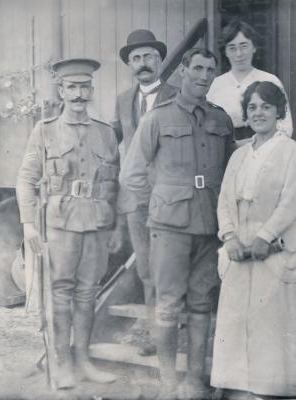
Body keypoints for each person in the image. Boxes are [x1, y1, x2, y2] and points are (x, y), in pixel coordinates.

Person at [120, 48, 234, 400]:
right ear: (183, 71)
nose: (203, 75)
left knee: (201, 304)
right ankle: (168, 383)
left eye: (210, 69)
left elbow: (231, 171)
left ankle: (194, 381)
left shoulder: (221, 119)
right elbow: (132, 174)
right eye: (197, 68)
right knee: (168, 304)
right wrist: (159, 200)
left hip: (208, 226)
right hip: (169, 227)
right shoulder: (158, 117)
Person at [16, 58, 119, 389]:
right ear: (61, 90)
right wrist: (28, 224)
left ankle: (83, 360)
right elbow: (25, 179)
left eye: (84, 87)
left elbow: (114, 185)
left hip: (98, 221)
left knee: (88, 291)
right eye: (71, 87)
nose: (78, 94)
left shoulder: (106, 133)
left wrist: (115, 226)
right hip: (59, 223)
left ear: (92, 90)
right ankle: (61, 363)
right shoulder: (44, 130)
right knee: (60, 291)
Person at [211, 81, 296, 400]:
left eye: (266, 106)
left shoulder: (290, 152)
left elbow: (291, 201)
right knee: (236, 319)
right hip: (238, 252)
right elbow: (225, 200)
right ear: (245, 114)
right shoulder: (239, 154)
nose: (258, 113)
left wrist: (265, 236)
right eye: (252, 107)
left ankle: (270, 389)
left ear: (278, 112)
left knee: (270, 322)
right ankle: (237, 386)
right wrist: (229, 236)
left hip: (272, 252)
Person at [110, 29, 177, 356]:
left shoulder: (179, 95)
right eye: (135, 58)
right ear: (129, 65)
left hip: (170, 198)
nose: (143, 63)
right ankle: (155, 333)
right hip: (135, 199)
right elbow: (114, 144)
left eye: (149, 56)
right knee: (147, 269)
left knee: (172, 266)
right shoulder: (123, 100)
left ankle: (174, 329)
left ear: (161, 59)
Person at [207, 19, 293, 140]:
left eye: (244, 46)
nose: (239, 54)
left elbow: (285, 125)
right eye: (232, 48)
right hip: (226, 150)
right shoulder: (215, 85)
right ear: (225, 52)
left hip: (265, 148)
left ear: (254, 47)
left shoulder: (269, 80)